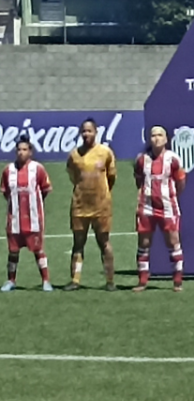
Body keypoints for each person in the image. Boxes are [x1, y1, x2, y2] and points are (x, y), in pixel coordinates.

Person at [132, 126, 188, 292]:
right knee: (144, 242)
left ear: (166, 139)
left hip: (168, 205)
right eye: (153, 135)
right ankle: (142, 281)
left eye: (160, 135)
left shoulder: (173, 159)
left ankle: (177, 282)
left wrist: (171, 196)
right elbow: (138, 180)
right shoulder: (142, 159)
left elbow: (181, 182)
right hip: (147, 206)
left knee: (173, 241)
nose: (156, 138)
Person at [65, 118, 117, 291]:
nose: (86, 134)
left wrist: (102, 193)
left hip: (101, 206)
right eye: (84, 131)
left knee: (104, 242)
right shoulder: (74, 155)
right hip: (80, 206)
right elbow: (73, 177)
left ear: (96, 132)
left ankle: (110, 281)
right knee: (78, 243)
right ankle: (75, 280)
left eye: (90, 131)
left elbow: (111, 177)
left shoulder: (105, 152)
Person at [2, 135, 53, 292]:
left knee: (38, 249)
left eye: (24, 150)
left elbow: (45, 190)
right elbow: (5, 192)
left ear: (30, 152)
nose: (21, 153)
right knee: (13, 251)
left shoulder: (38, 169)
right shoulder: (8, 170)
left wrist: (34, 204)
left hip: (34, 218)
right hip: (15, 218)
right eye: (18, 149)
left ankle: (45, 281)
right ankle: (11, 280)